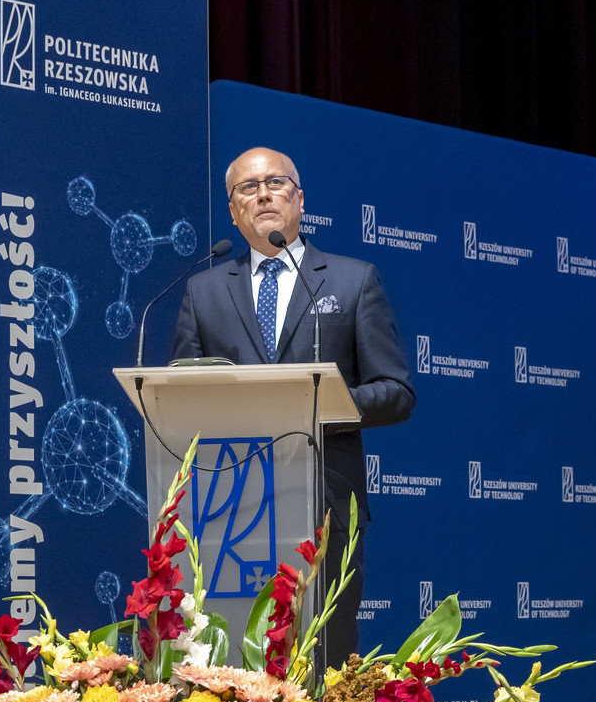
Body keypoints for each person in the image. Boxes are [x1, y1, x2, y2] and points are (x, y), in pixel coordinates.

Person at [173, 147, 415, 663]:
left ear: (300, 200)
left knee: (324, 655)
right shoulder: (203, 291)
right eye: (247, 188)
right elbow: (181, 397)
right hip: (229, 507)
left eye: (276, 183)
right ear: (233, 210)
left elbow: (396, 393)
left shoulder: (352, 280)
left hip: (324, 502)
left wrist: (317, 403)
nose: (263, 195)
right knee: (228, 663)